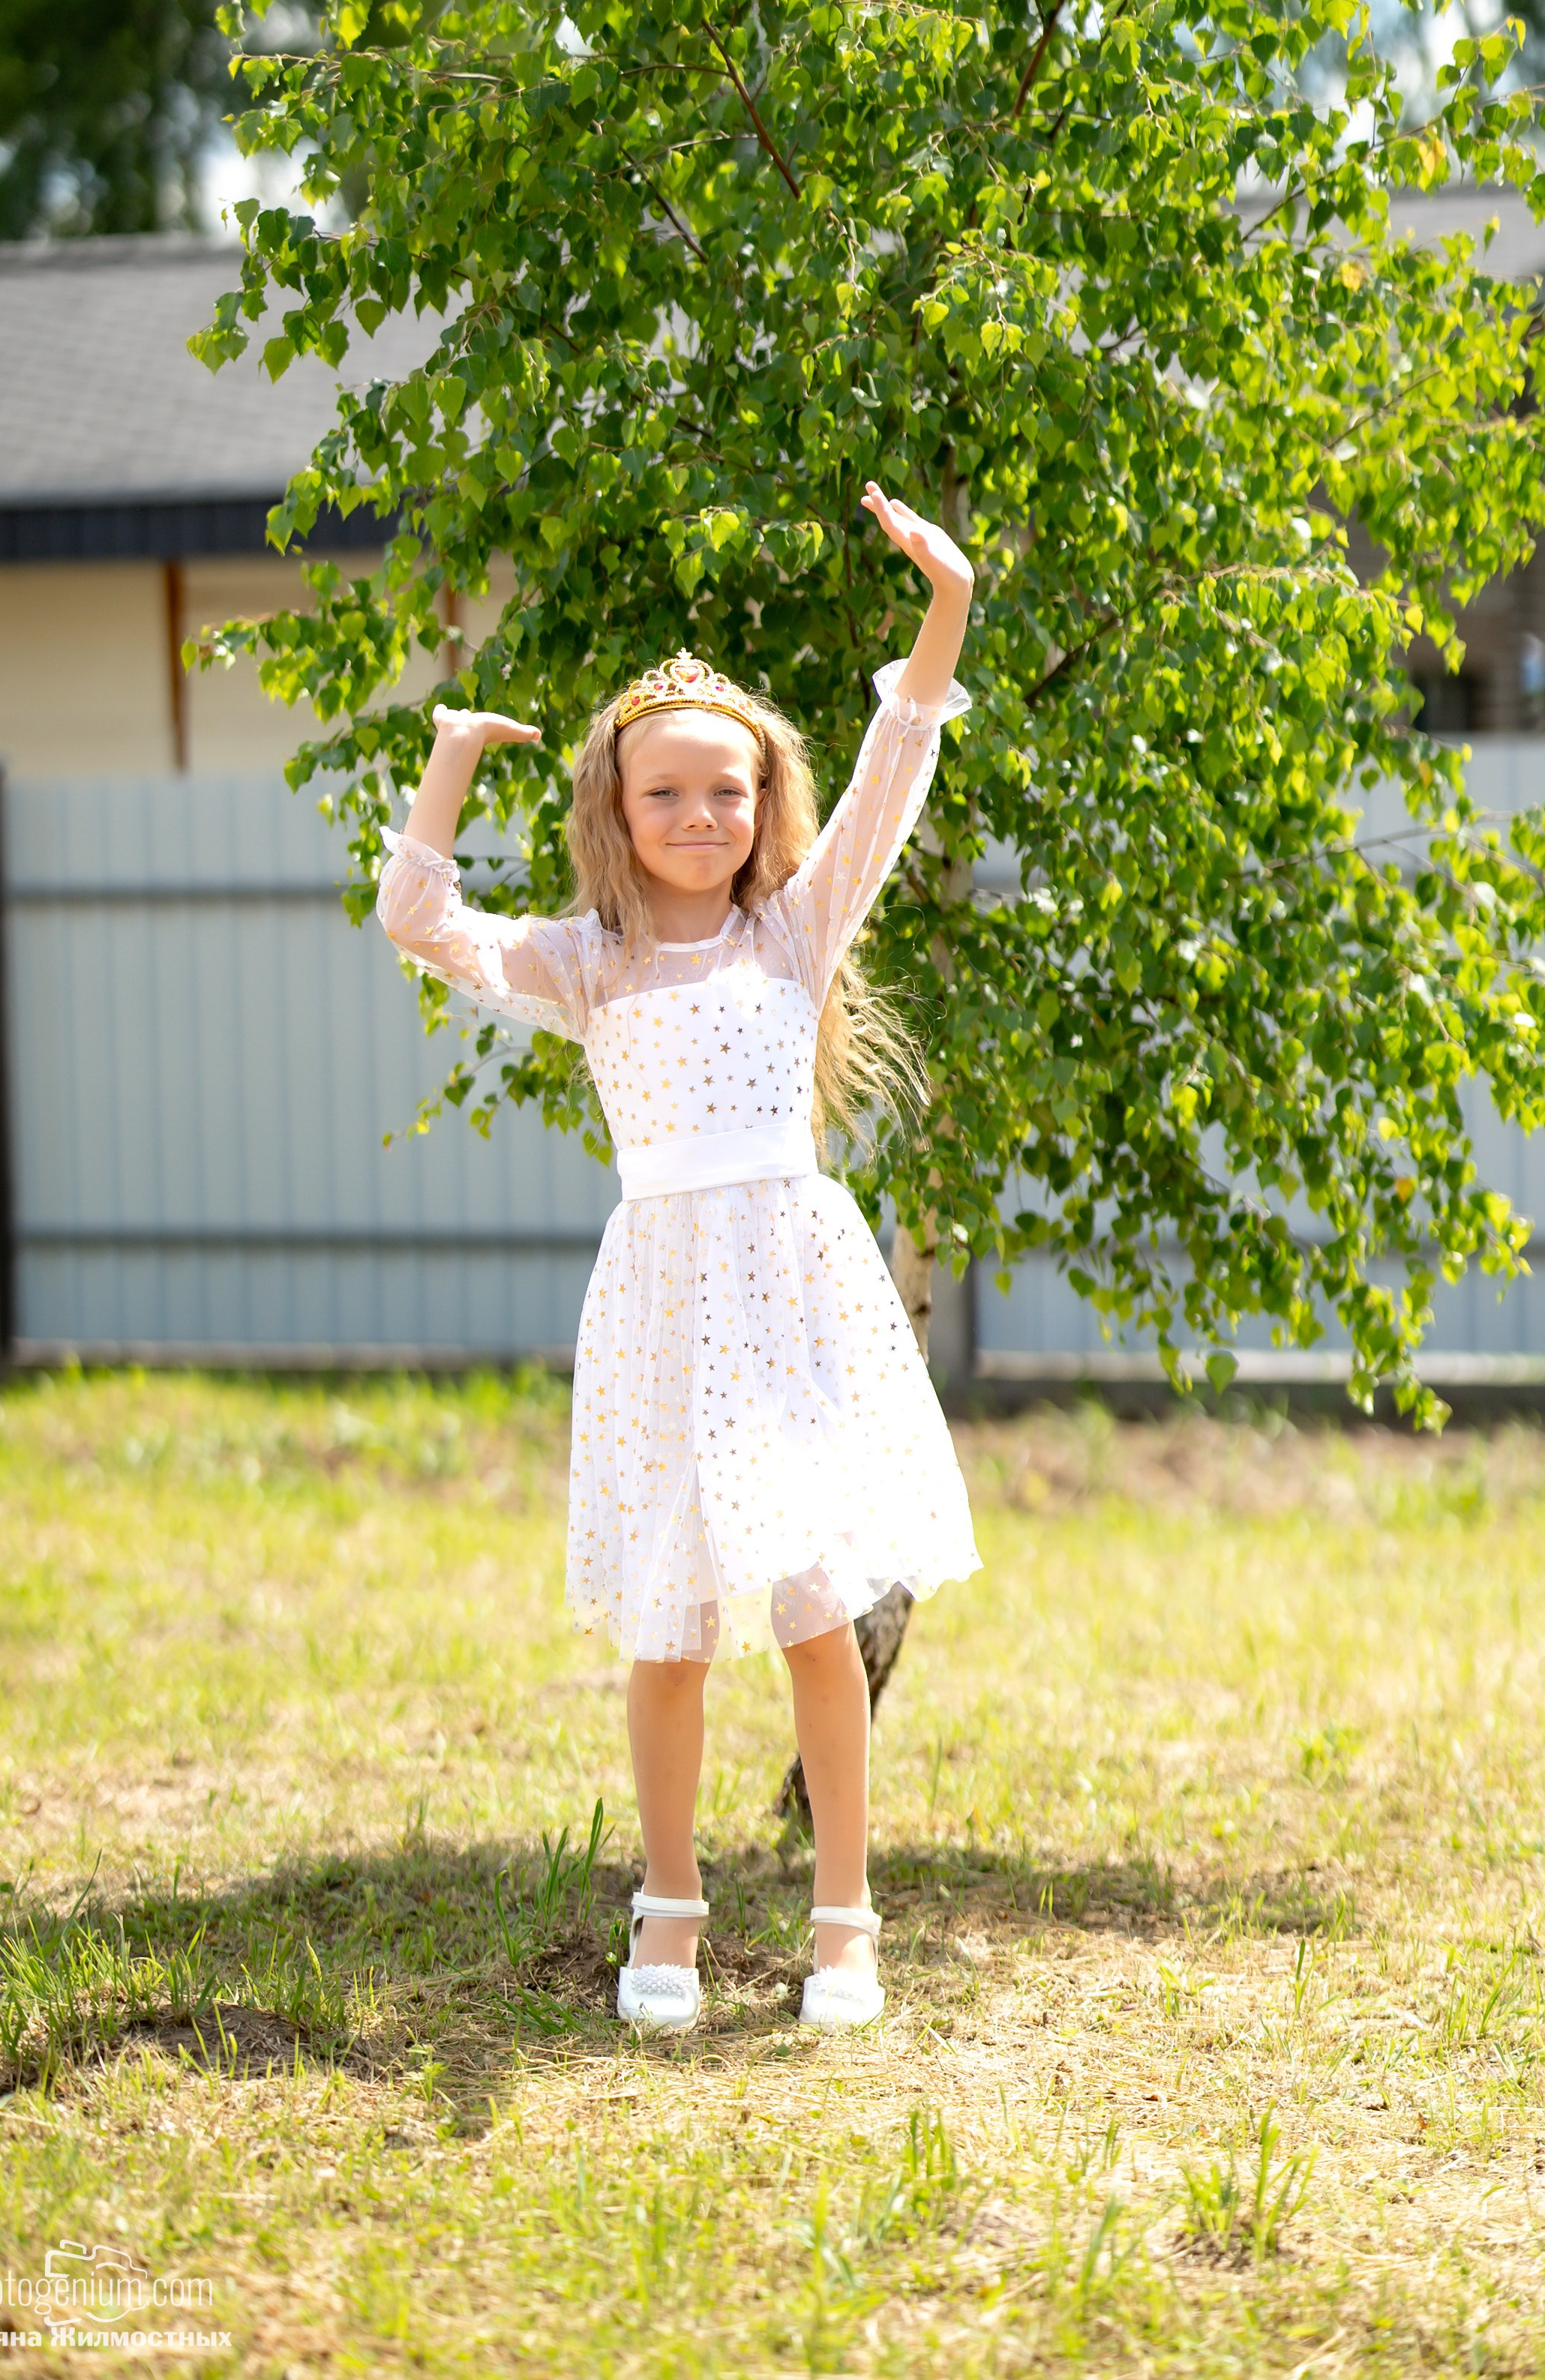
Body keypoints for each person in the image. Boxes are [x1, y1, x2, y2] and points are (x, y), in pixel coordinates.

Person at [376, 481, 982, 2032]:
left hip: (786, 1297)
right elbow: (419, 920)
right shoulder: (589, 962)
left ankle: (844, 1920)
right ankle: (671, 1908)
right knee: (668, 1621)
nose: (701, 816)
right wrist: (446, 765)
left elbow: (895, 762)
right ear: (617, 812)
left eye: (728, 791)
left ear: (761, 803)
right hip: (659, 1308)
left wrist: (945, 601)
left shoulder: (795, 928)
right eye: (666, 796)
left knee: (808, 1607)